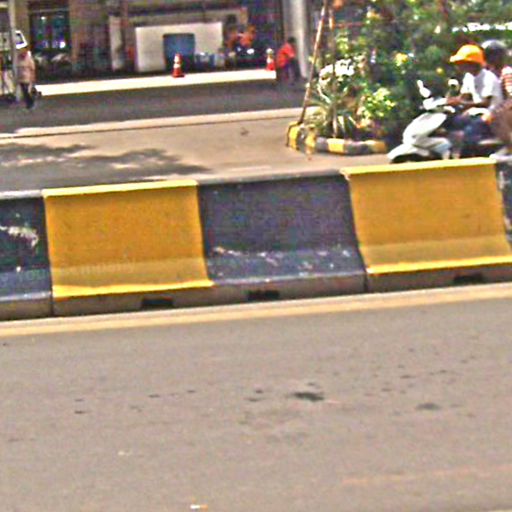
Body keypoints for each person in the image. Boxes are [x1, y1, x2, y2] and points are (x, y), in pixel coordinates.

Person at [446, 44, 503, 157]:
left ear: (472, 64)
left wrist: (461, 103)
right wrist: (449, 100)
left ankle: (469, 157)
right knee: (452, 123)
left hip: (491, 115)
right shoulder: (468, 77)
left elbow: (486, 103)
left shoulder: (488, 78)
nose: (459, 66)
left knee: (469, 133)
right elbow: (464, 97)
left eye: (462, 63)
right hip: (476, 113)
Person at [482, 40, 512, 156]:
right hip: (492, 106)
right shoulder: (489, 73)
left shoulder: (506, 72)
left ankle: (509, 147)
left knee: (497, 116)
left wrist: (498, 110)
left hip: (505, 109)